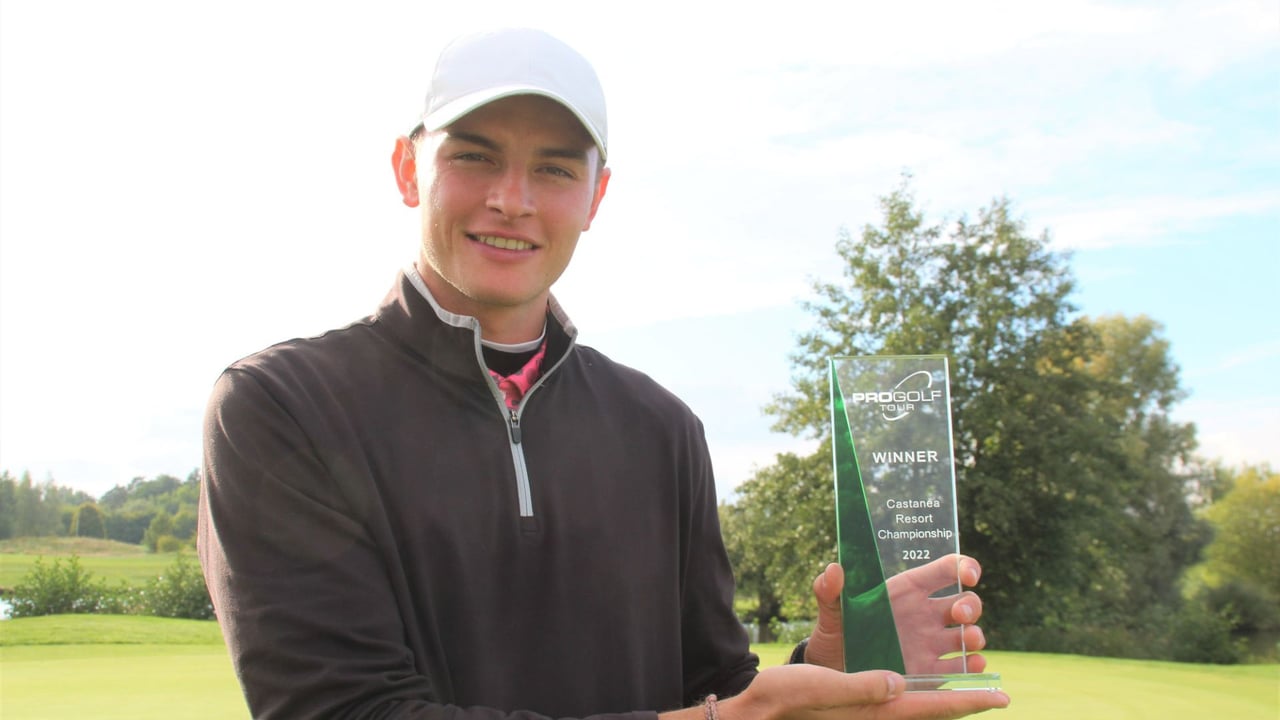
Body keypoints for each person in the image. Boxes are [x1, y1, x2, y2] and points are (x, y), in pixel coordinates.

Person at [197, 27, 1010, 720]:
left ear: (597, 195)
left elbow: (712, 687)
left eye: (554, 169)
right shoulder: (281, 406)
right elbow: (344, 711)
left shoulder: (661, 428)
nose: (513, 200)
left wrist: (826, 663)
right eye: (475, 157)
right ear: (409, 171)